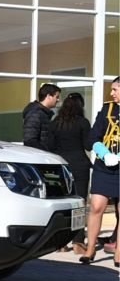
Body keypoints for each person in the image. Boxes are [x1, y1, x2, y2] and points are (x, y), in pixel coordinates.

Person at [80, 77, 120, 266]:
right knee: (96, 207)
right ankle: (90, 250)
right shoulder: (107, 109)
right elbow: (92, 138)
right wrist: (104, 153)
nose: (111, 93)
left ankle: (118, 253)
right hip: (104, 167)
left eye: (115, 89)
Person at [52, 93, 92, 252]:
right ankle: (78, 241)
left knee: (62, 203)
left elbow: (50, 144)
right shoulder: (83, 122)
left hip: (61, 166)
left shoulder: (56, 123)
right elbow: (88, 145)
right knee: (79, 203)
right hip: (80, 165)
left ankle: (60, 242)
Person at [22, 83, 60, 151]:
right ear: (48, 96)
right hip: (39, 158)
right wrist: (45, 152)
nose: (58, 100)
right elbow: (30, 141)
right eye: (56, 97)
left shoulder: (44, 114)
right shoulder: (35, 113)